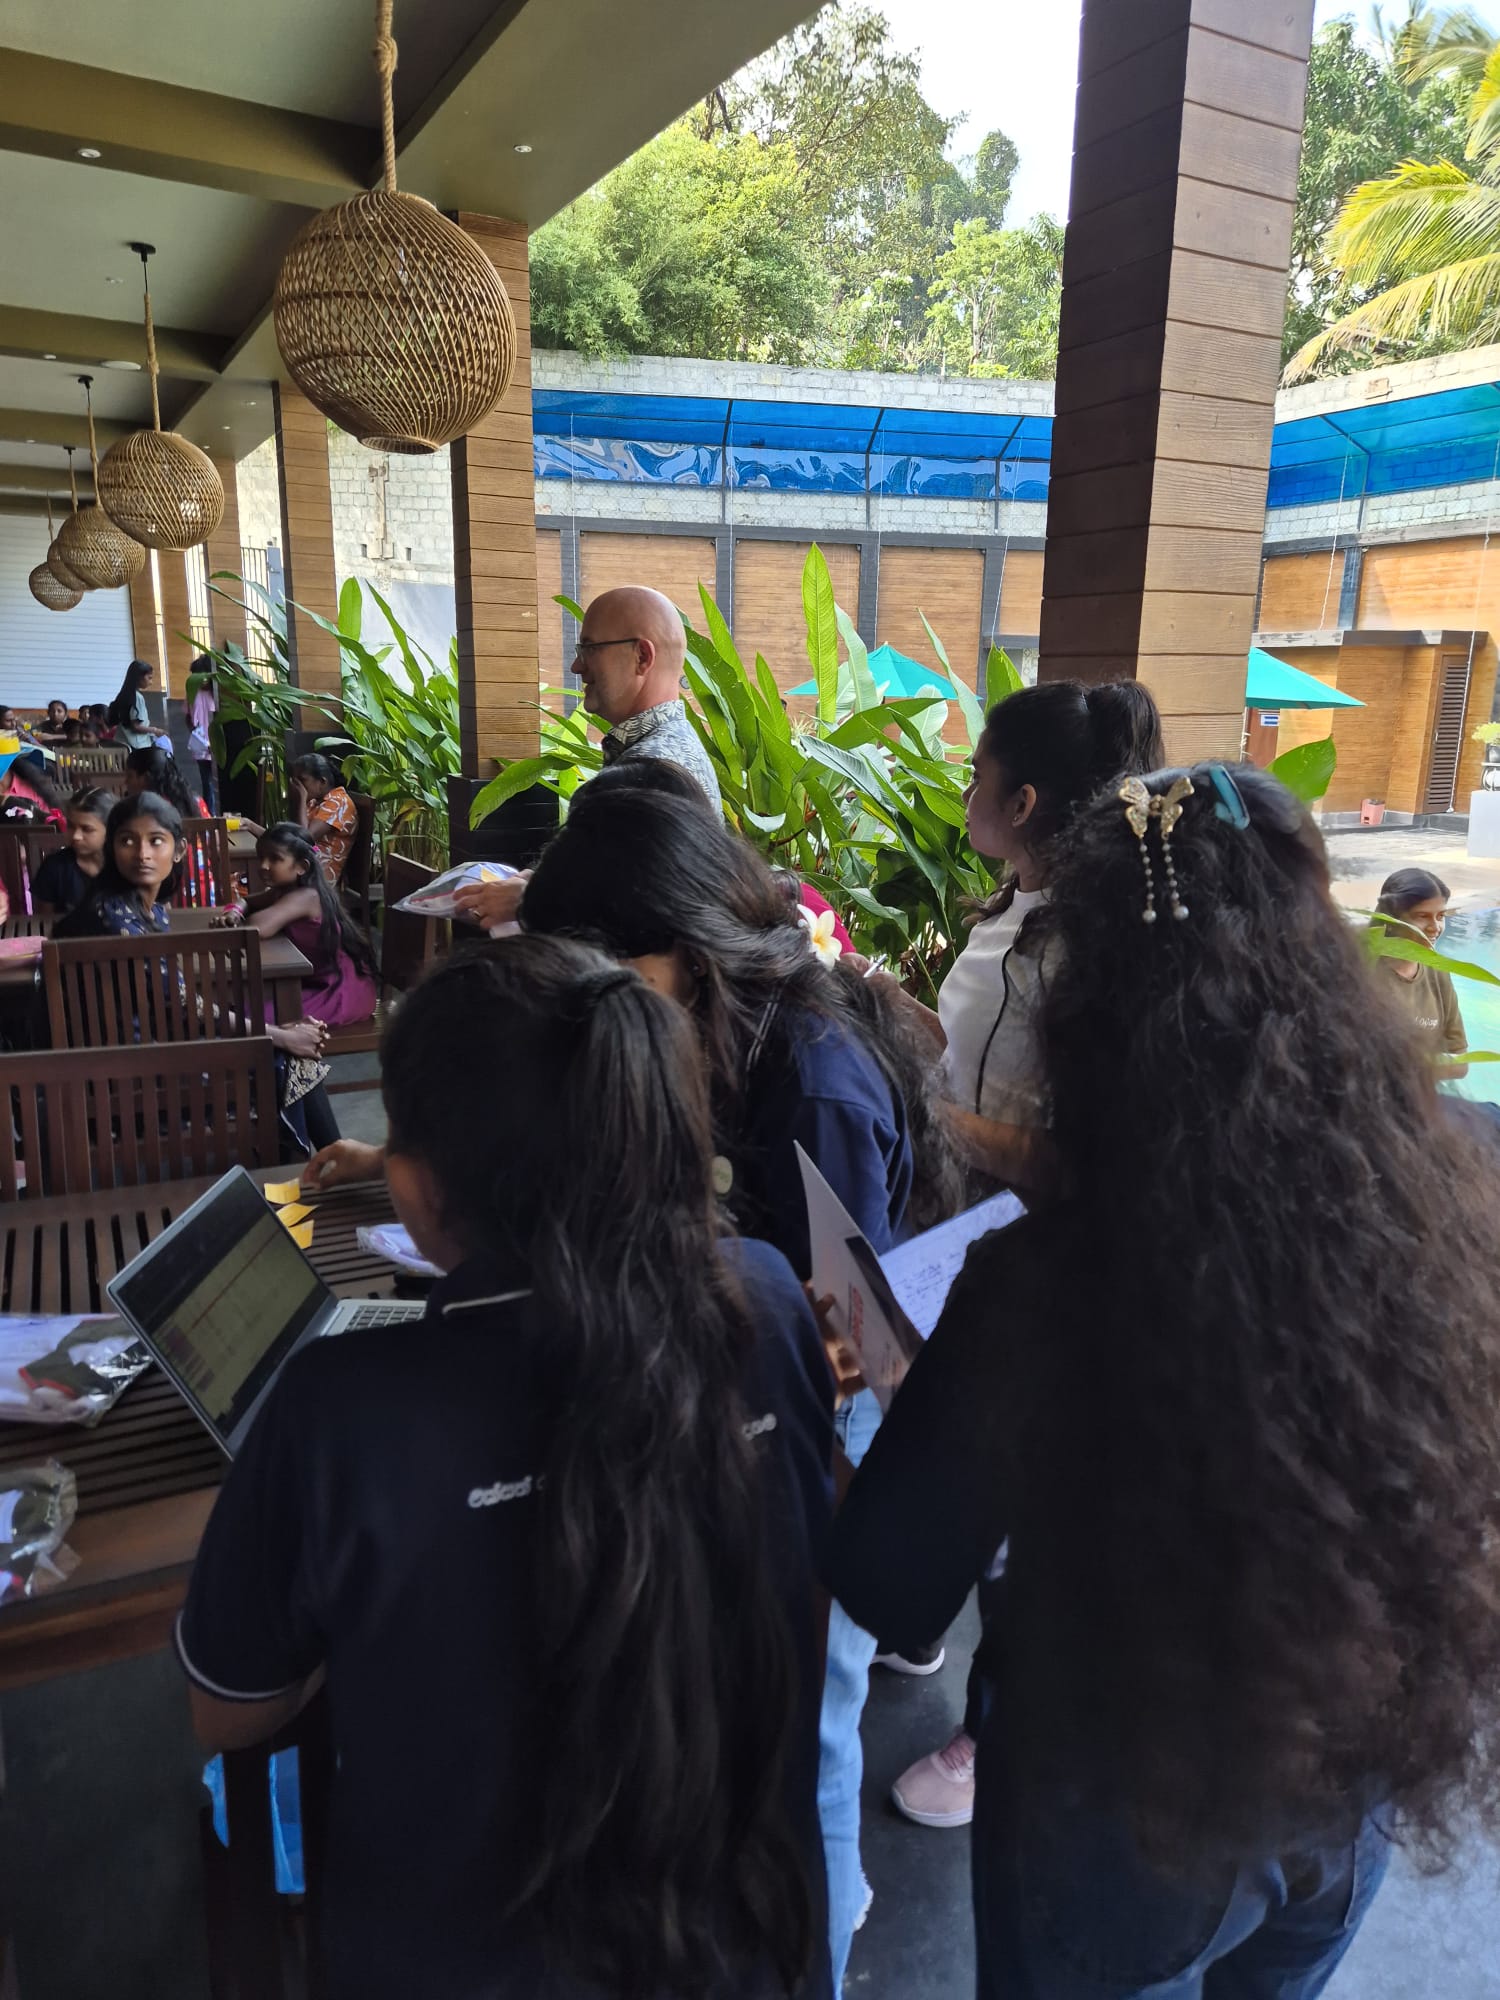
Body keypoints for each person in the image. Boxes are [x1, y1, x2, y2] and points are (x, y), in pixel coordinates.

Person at [831, 761, 1500, 2000]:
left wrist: (875, 1393)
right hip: (1342, 1784)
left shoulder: (1044, 1283)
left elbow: (889, 1578)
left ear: (1091, 1007)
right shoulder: (1455, 1193)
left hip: (1115, 1818)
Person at [176, 937, 834, 1999]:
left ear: (419, 1186)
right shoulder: (762, 1298)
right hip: (752, 1942)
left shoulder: (341, 1409)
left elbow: (230, 1709)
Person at [521, 784, 917, 1988]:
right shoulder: (713, 1028)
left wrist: (812, 1499)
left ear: (686, 949)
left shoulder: (817, 1081)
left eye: (608, 968)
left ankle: (818, 1946)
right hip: (758, 1386)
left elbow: (854, 1333)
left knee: (814, 1723)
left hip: (825, 1420)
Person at [864, 679, 1165, 1821]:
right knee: (951, 1444)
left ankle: (993, 1737)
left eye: (977, 774)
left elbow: (1083, 1161)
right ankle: (921, 1625)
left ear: (1024, 799)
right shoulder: (1016, 903)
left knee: (1024, 1502)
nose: (965, 791)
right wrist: (884, 1006)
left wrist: (940, 1121)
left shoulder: (1094, 950)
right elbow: (972, 1056)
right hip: (967, 1236)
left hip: (1039, 1263)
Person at [575, 584, 721, 810]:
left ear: (642, 657)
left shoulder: (645, 780)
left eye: (590, 648)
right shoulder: (676, 750)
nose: (576, 666)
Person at [239, 823, 376, 1029]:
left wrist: (245, 912)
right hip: (312, 979)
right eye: (261, 858)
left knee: (250, 1018)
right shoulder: (285, 889)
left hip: (338, 991)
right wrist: (234, 910)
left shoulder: (307, 896)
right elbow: (248, 901)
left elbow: (255, 927)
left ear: (302, 867)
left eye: (275, 859)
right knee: (243, 1006)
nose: (264, 866)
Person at [1373, 867, 1468, 1078]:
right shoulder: (1362, 971)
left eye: (1441, 916)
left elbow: (1460, 1062)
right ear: (1391, 919)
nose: (1435, 927)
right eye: (1422, 916)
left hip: (1421, 1093)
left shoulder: (1438, 972)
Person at [54, 791, 185, 937]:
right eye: (127, 841)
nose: (142, 855)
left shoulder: (156, 912)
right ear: (111, 848)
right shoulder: (116, 921)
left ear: (179, 850)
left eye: (156, 841)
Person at [33, 786, 113, 925]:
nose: (76, 836)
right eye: (70, 826)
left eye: (86, 829)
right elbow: (43, 923)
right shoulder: (54, 867)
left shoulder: (124, 867)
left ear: (110, 829)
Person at [287, 753, 358, 885]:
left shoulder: (339, 802)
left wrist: (302, 798)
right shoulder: (315, 802)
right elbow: (292, 836)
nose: (297, 786)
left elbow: (305, 838)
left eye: (302, 780)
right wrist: (251, 826)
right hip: (305, 863)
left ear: (322, 782)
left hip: (319, 877)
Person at [125, 745, 209, 820]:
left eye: (130, 776)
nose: (126, 782)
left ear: (146, 778)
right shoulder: (197, 801)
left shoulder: (144, 811)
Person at [186, 657, 218, 814]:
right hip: (201, 746)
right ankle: (210, 816)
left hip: (217, 746)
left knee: (217, 783)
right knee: (207, 783)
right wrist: (197, 737)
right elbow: (188, 717)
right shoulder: (192, 694)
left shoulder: (217, 694)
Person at [107, 661, 155, 752]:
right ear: (139, 677)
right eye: (149, 678)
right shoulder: (137, 697)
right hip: (136, 746)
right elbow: (136, 726)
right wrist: (155, 730)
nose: (151, 682)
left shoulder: (122, 695)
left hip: (121, 743)